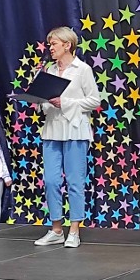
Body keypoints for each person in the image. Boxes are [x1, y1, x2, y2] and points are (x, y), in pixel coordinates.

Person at [34, 27, 100, 249]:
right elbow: (43, 104)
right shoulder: (49, 71)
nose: (50, 48)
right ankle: (56, 229)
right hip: (52, 129)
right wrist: (40, 96)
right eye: (50, 44)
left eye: (54, 44)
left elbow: (94, 100)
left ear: (67, 45)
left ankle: (74, 230)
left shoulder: (82, 70)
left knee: (74, 181)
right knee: (51, 180)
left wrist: (67, 103)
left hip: (75, 130)